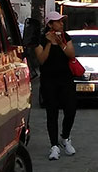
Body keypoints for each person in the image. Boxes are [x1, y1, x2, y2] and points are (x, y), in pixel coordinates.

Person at [35, 11, 78, 161]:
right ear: (49, 24)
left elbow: (72, 54)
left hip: (66, 79)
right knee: (51, 113)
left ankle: (65, 137)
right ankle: (54, 146)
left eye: (61, 21)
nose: (61, 23)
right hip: (49, 81)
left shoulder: (66, 37)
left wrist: (60, 43)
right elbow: (41, 59)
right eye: (58, 21)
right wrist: (49, 42)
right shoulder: (41, 39)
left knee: (71, 110)